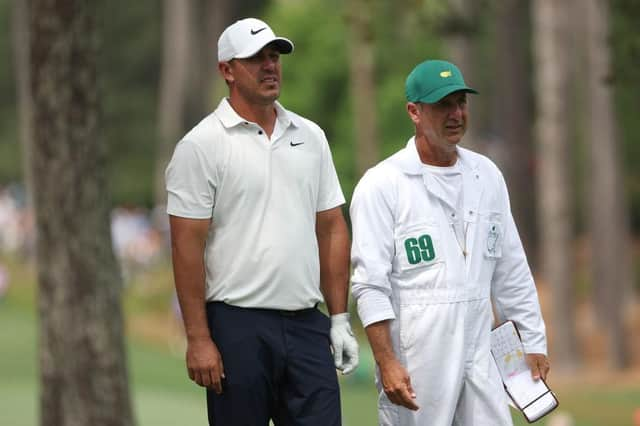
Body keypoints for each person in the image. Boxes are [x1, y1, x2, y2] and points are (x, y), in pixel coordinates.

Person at [165, 17, 358, 426]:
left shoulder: (311, 136)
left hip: (307, 323)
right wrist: (198, 338)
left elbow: (331, 226)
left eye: (274, 57)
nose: (270, 66)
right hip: (238, 326)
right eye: (256, 59)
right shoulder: (202, 145)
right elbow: (186, 247)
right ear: (227, 71)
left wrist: (339, 318)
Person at [349, 59, 550, 425]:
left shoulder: (486, 175)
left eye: (461, 102)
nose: (456, 113)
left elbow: (511, 271)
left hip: (480, 345)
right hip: (418, 352)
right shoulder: (383, 185)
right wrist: (387, 361)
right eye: (443, 104)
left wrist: (533, 341)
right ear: (414, 111)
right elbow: (369, 285)